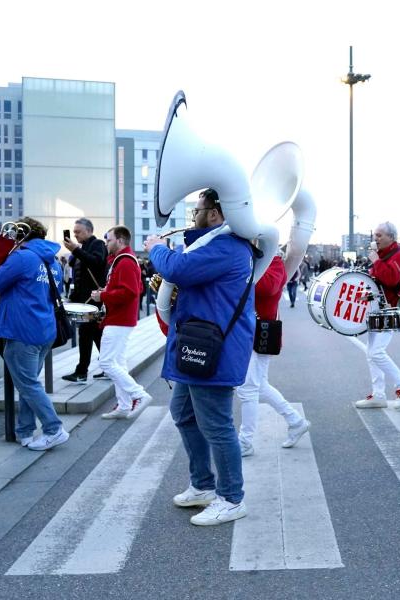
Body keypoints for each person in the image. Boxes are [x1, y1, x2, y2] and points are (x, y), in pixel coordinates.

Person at [144, 188, 253, 527]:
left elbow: (178, 269)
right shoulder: (221, 244)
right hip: (199, 343)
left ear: (216, 215)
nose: (194, 215)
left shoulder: (226, 246)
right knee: (183, 413)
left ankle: (232, 497)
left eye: (198, 209)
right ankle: (203, 484)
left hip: (212, 349)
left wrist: (156, 248)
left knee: (217, 425)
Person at [0, 217, 68, 451]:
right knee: (29, 383)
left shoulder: (22, 257)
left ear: (21, 236)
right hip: (44, 329)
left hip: (22, 329)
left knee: (28, 384)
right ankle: (25, 431)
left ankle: (54, 429)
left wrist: (0, 256)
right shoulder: (52, 261)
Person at [236, 252, 310, 456]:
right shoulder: (253, 261)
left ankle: (245, 441)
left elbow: (268, 288)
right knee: (260, 386)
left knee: (248, 388)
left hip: (260, 333)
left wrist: (241, 270)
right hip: (249, 332)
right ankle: (296, 421)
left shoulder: (274, 261)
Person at [355, 222, 400, 409]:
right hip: (378, 308)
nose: (376, 238)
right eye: (375, 235)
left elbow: (391, 279)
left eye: (380, 235)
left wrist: (376, 261)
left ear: (392, 237)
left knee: (376, 352)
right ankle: (378, 394)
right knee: (370, 353)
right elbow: (377, 283)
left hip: (390, 308)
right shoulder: (382, 257)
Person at [94, 226, 152, 420]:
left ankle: (138, 394)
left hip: (119, 319)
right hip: (121, 318)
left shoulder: (125, 261)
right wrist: (108, 291)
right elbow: (137, 287)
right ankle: (124, 405)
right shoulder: (125, 260)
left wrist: (103, 294)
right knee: (117, 362)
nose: (106, 244)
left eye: (109, 240)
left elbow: (131, 292)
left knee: (107, 362)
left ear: (119, 241)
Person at [62, 218, 108, 382]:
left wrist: (75, 250)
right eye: (74, 232)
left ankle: (84, 371)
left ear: (89, 231)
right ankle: (106, 367)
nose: (75, 235)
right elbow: (79, 276)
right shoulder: (81, 248)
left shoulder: (98, 244)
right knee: (92, 334)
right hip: (84, 302)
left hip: (93, 301)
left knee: (90, 334)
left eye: (78, 232)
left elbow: (97, 262)